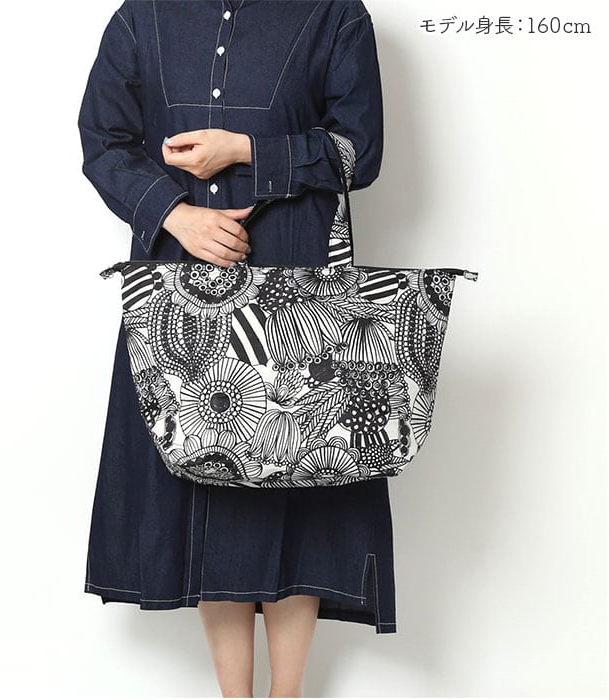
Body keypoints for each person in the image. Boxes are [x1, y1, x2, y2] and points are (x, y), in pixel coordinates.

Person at [77, 1, 395, 696]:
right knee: (203, 474)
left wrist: (249, 150)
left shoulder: (334, 13)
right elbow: (103, 139)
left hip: (300, 280)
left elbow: (359, 149)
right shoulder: (145, 14)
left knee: (299, 477)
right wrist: (175, 215)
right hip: (181, 277)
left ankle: (288, 694)